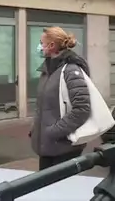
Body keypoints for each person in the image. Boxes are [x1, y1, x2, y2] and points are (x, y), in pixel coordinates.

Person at [30, 27, 91, 170]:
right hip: (47, 147)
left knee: (60, 189)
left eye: (41, 42)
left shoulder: (71, 70)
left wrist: (54, 131)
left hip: (64, 149)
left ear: (51, 46)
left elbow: (82, 109)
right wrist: (35, 129)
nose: (39, 47)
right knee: (45, 188)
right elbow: (44, 106)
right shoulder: (47, 70)